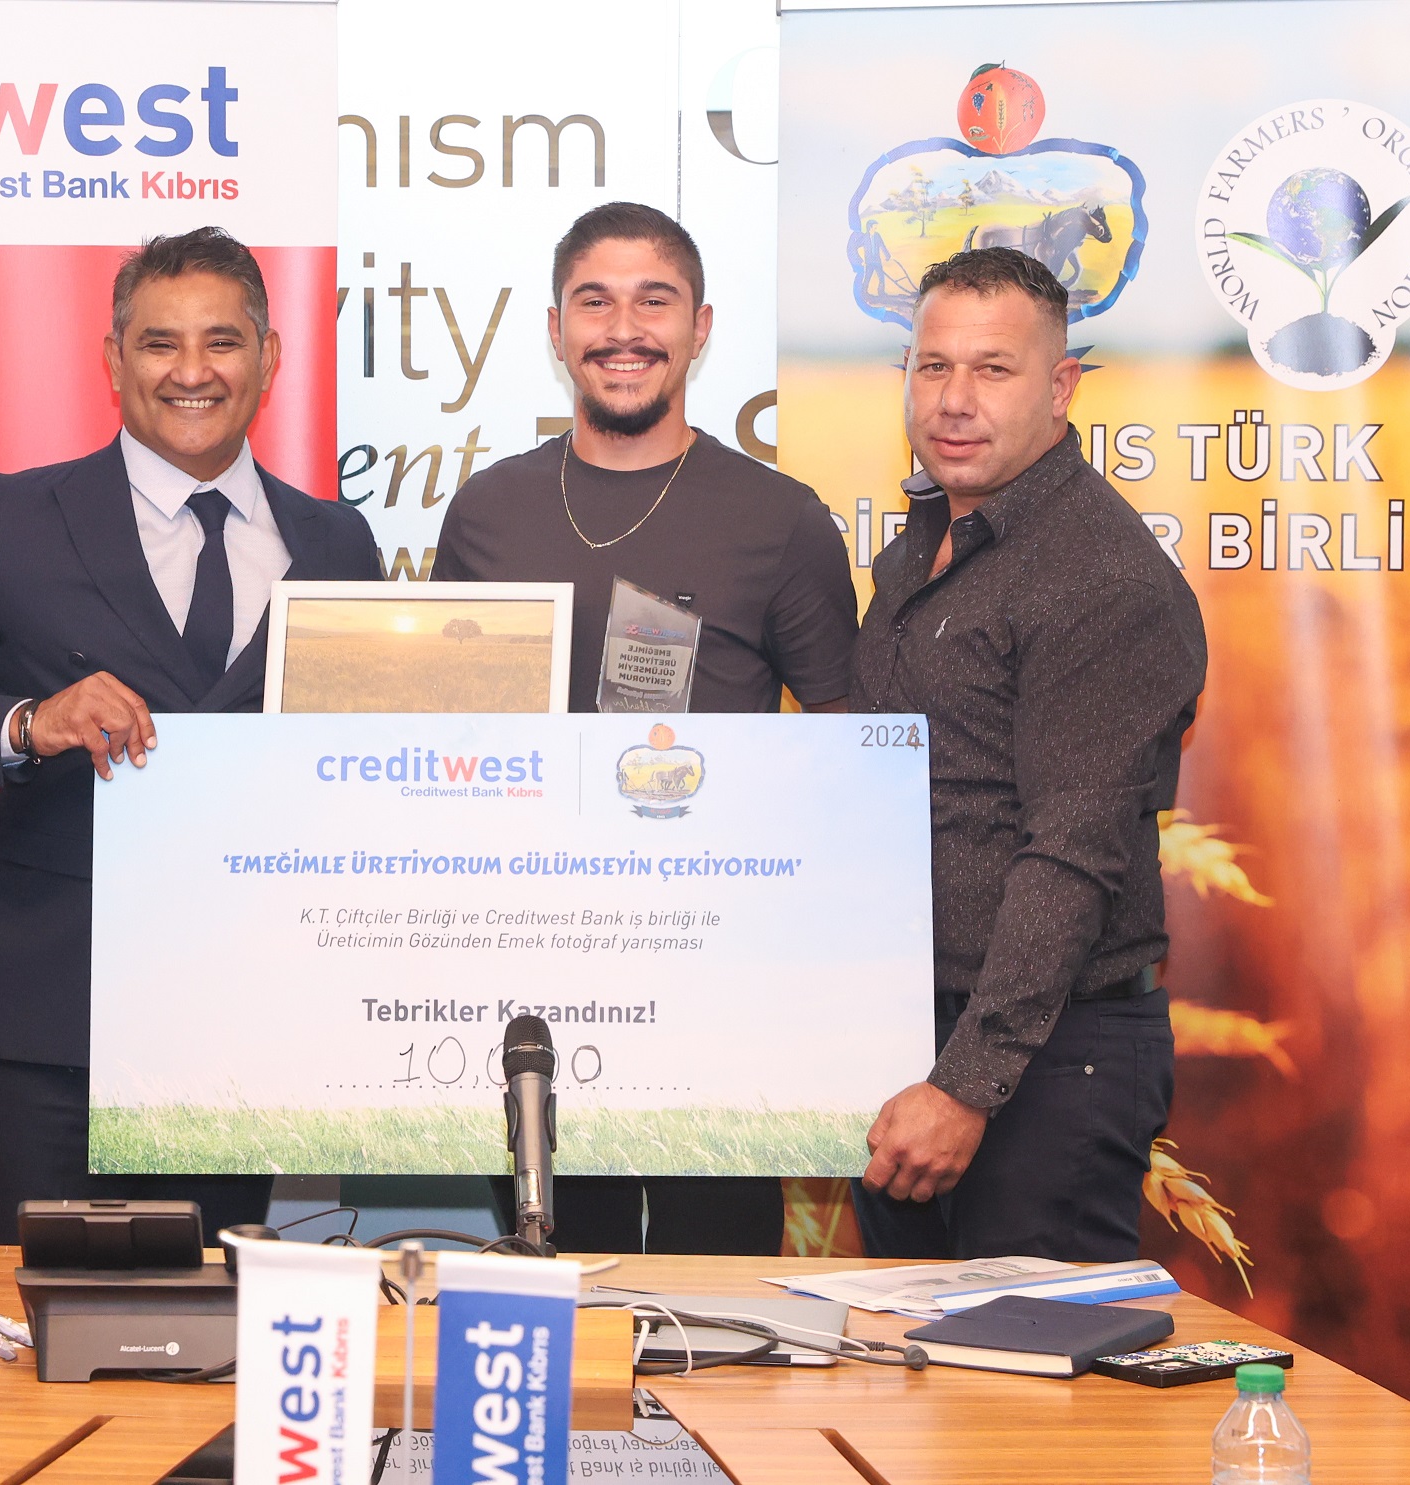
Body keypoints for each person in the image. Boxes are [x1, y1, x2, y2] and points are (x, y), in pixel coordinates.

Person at [0, 227, 379, 1245]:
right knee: (54, 1316)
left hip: (252, 1015)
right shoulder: (20, 518)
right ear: (113, 361)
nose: (191, 371)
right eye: (159, 343)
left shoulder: (337, 542)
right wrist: (26, 723)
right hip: (60, 1017)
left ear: (270, 358)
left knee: (214, 1317)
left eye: (221, 341)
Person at [434, 202, 858, 1254]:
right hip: (522, 960)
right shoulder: (485, 514)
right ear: (555, 328)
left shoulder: (781, 520)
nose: (623, 330)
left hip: (715, 973)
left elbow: (847, 756)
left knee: (720, 1270)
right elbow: (443, 741)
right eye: (595, 302)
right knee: (553, 1262)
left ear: (700, 327)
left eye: (653, 301)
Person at [852, 247, 1206, 1261]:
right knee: (902, 1358)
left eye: (992, 369)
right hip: (920, 1043)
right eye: (933, 366)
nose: (953, 400)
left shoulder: (1098, 578)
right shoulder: (923, 545)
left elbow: (1071, 854)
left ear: (1059, 388)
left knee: (1019, 1364)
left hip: (1043, 1062)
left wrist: (965, 1086)